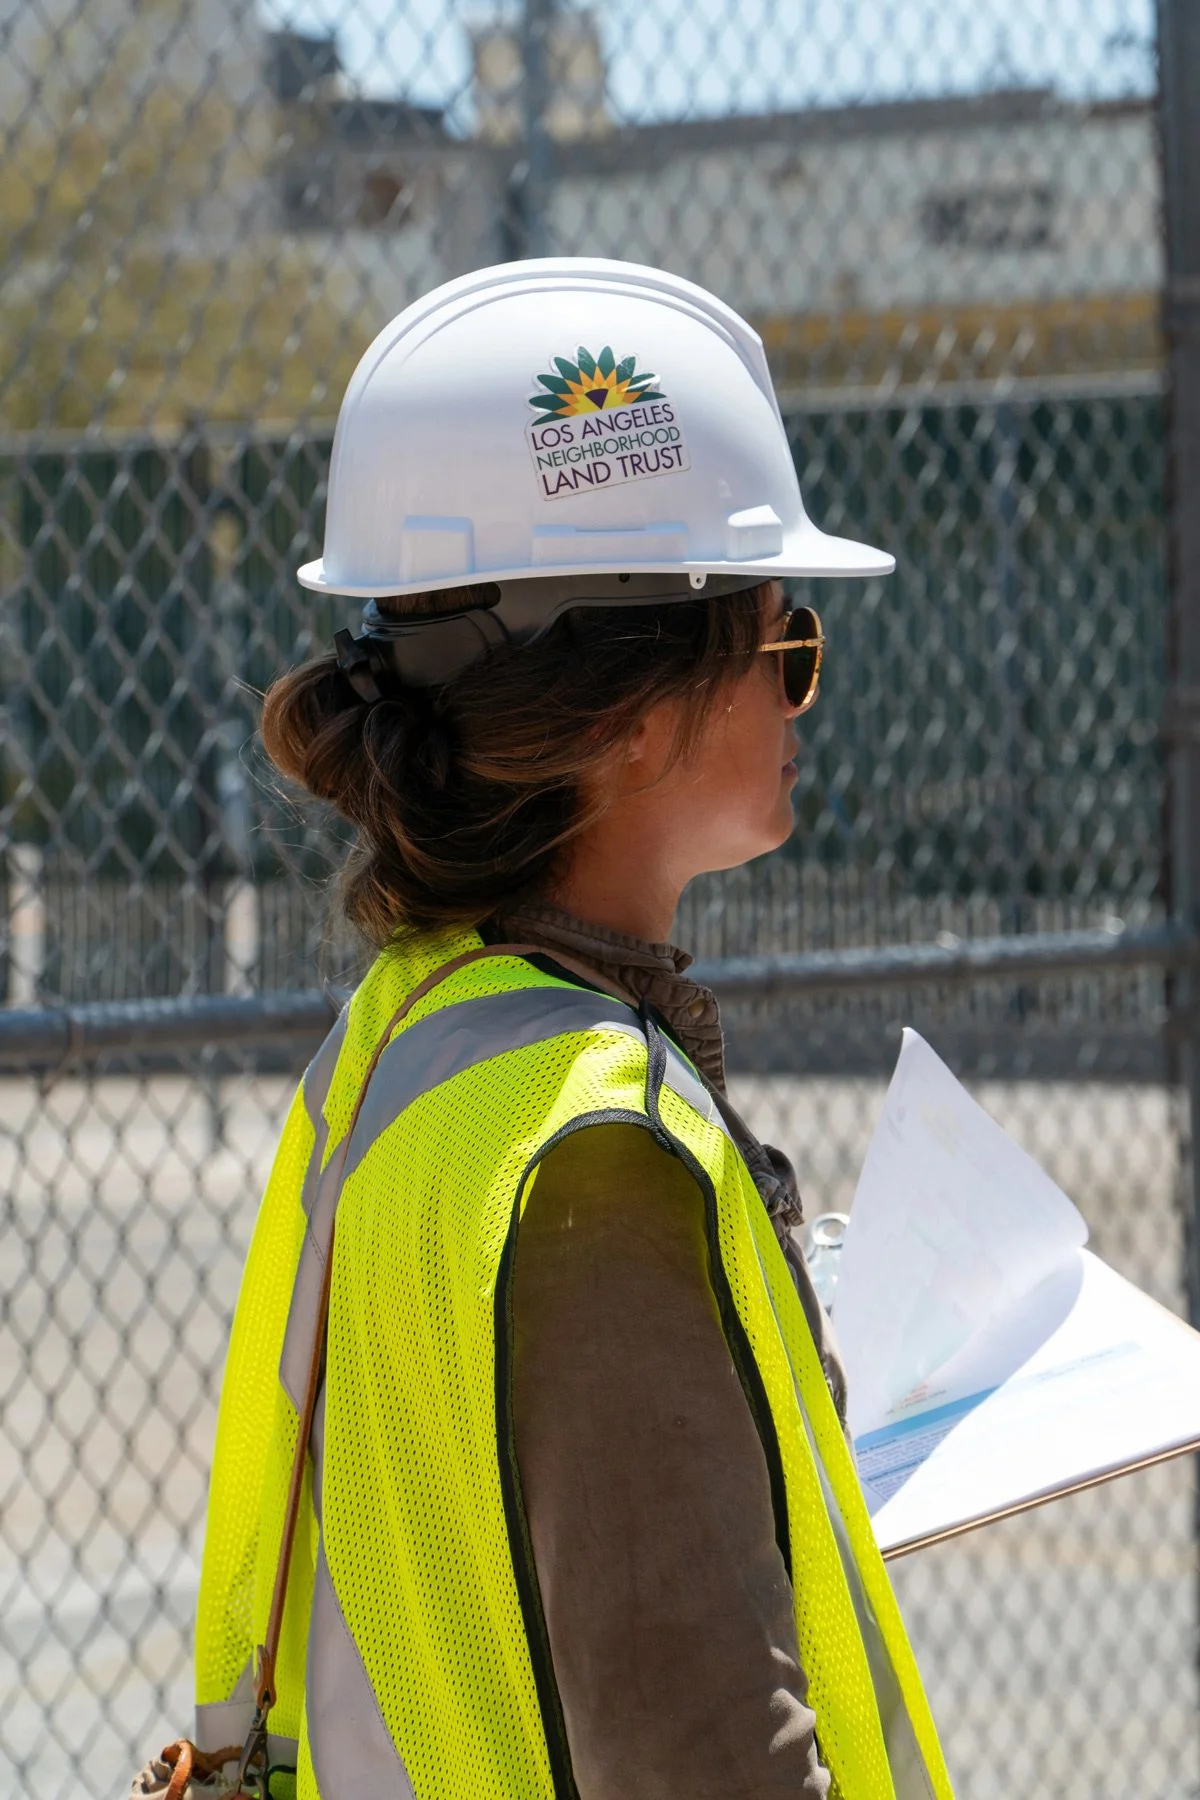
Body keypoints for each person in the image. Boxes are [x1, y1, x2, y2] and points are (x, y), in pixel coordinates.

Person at [189, 258, 954, 1800]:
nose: (803, 699)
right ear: (630, 714)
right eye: (784, 644)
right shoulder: (597, 1163)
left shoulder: (420, 1038)